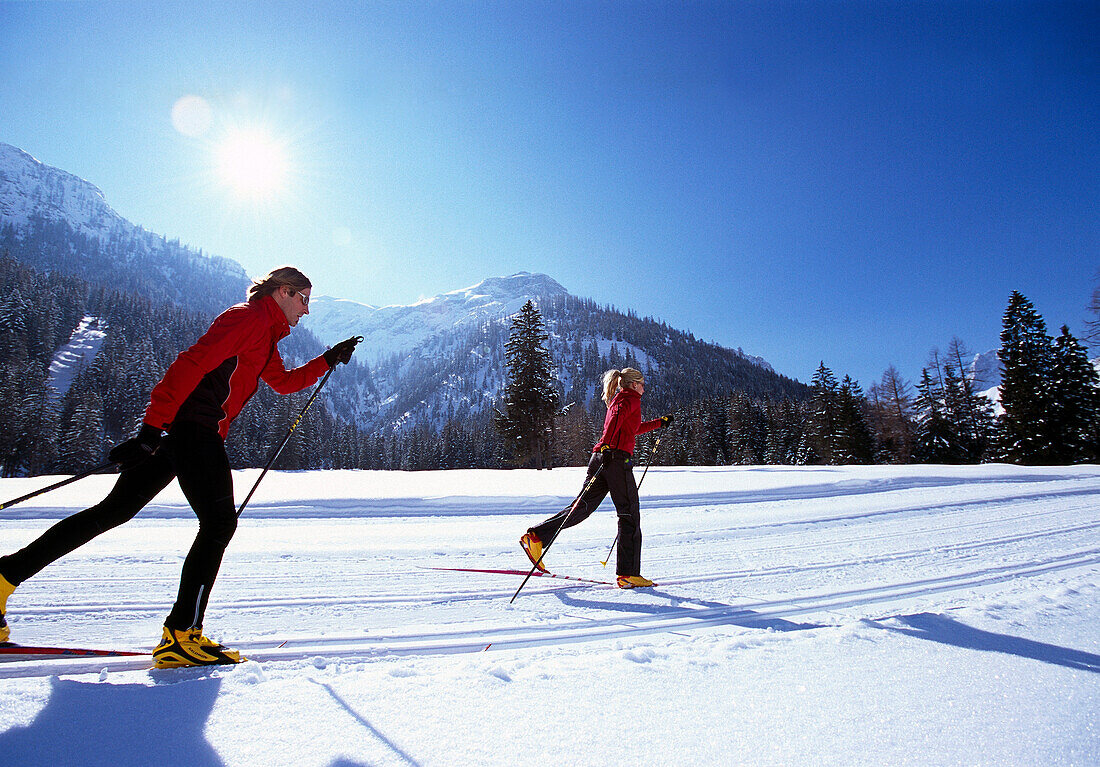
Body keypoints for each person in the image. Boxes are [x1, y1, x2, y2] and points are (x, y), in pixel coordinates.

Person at [0, 266, 360, 667]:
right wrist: (151, 429)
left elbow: (283, 382)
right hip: (195, 431)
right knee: (219, 524)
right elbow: (190, 364)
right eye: (304, 299)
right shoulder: (248, 318)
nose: (307, 311)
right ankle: (182, 636)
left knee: (113, 511)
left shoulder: (265, 332)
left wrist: (327, 359)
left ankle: (1, 580)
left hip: (183, 433)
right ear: (283, 292)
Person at [520, 367, 671, 589]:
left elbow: (632, 428)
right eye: (642, 383)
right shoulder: (629, 399)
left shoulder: (620, 399)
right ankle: (628, 574)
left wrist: (659, 422)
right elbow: (616, 421)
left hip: (601, 458)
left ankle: (536, 537)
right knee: (629, 515)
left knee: (582, 507)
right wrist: (610, 445)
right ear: (633, 385)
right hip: (616, 460)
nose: (644, 387)